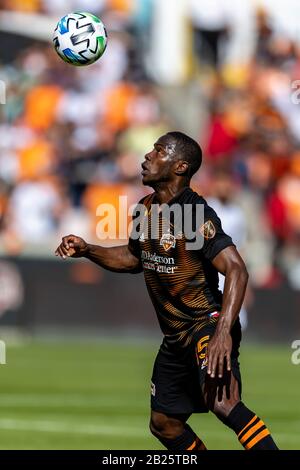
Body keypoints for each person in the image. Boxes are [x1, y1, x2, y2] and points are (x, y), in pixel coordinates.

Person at [55, 131, 278, 451]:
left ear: (180, 167)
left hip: (205, 324)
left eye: (159, 152)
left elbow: (236, 269)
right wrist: (89, 249)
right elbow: (133, 258)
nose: (147, 157)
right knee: (164, 424)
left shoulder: (194, 214)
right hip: (175, 336)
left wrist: (222, 333)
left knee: (224, 404)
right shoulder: (144, 208)